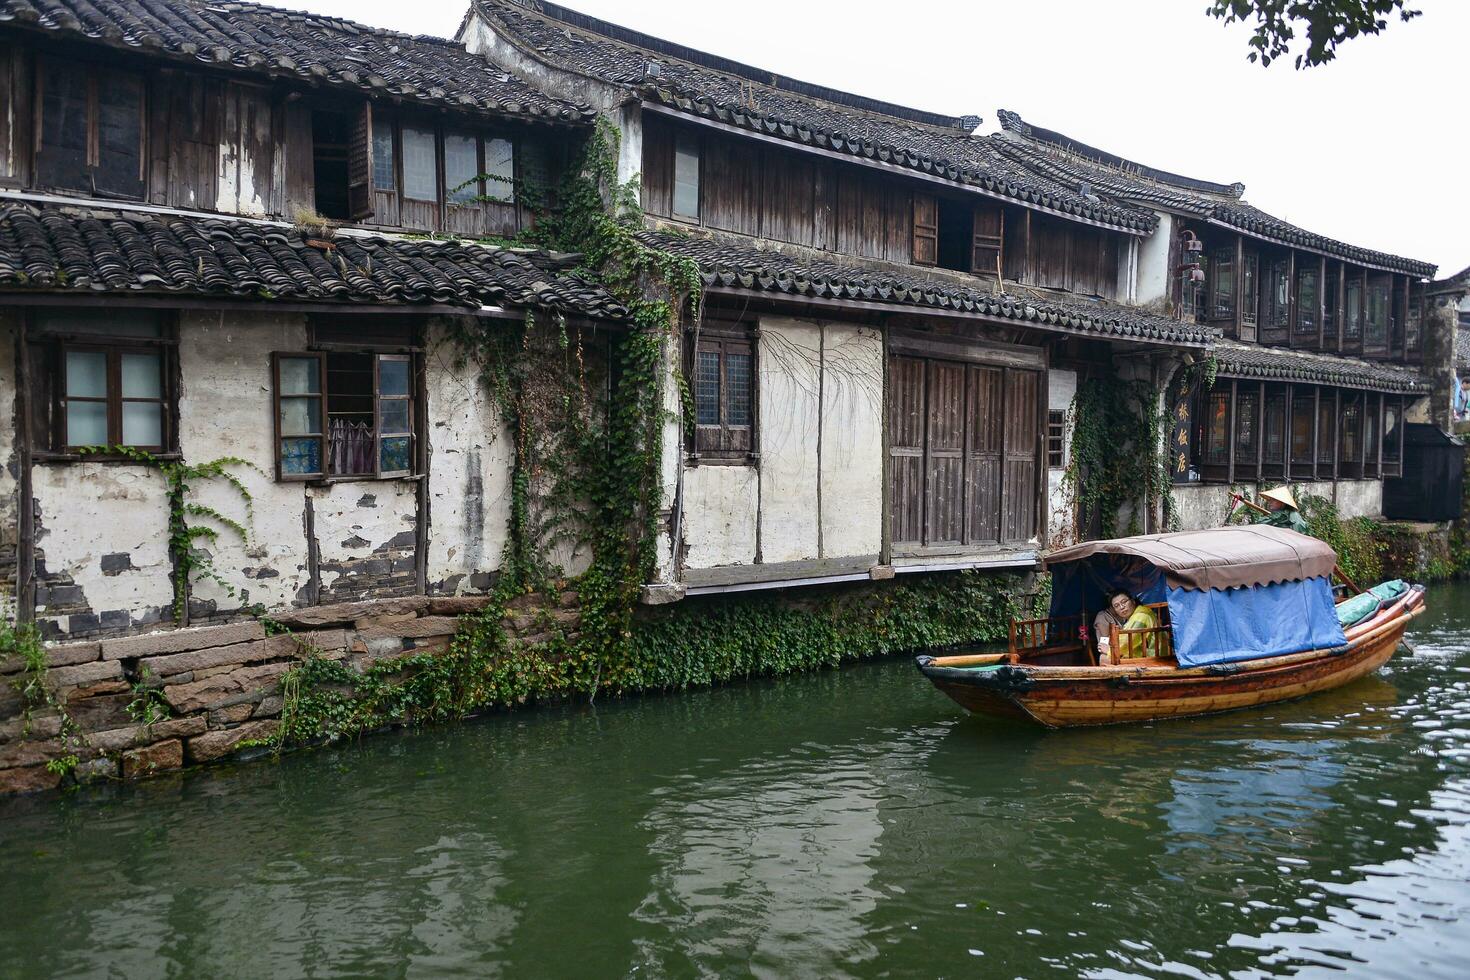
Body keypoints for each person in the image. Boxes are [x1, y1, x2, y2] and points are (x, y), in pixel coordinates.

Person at [1093, 590, 1158, 664]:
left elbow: (1127, 642)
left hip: (1152, 657)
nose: (1121, 607)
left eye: (1124, 602)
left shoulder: (1141, 616)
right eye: (1116, 606)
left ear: (1133, 601)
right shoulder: (1136, 614)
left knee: (1104, 658)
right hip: (1144, 653)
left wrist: (1109, 650)